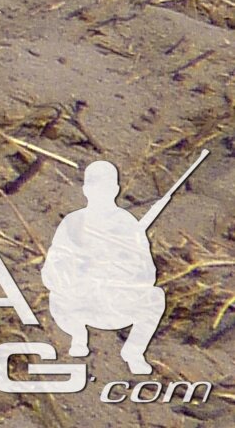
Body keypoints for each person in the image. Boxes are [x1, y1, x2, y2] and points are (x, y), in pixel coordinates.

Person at [44, 160, 167, 374]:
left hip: (115, 300)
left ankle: (134, 351)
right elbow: (53, 264)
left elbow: (147, 273)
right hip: (80, 298)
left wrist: (121, 267)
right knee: (56, 296)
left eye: (106, 187)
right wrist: (80, 268)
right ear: (85, 190)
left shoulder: (128, 225)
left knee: (155, 297)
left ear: (115, 190)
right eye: (94, 187)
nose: (100, 193)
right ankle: (77, 336)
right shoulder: (73, 222)